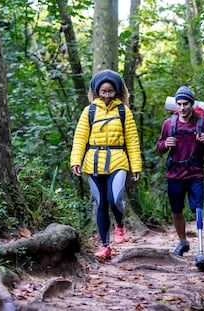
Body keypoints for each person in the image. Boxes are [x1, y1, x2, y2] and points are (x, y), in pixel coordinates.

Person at [70, 69, 142, 259]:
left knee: (115, 198)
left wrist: (136, 166)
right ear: (96, 92)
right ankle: (105, 246)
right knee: (101, 203)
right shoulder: (89, 111)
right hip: (93, 161)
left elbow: (132, 140)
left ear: (117, 91)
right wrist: (75, 160)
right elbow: (80, 138)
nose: (107, 95)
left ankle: (119, 223)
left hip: (118, 159)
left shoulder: (123, 111)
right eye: (104, 92)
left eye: (110, 91)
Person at [156, 86, 204, 257]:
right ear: (175, 105)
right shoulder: (169, 124)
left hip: (195, 172)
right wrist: (165, 144)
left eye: (185, 104)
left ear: (191, 104)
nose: (182, 107)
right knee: (176, 210)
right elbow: (160, 147)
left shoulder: (203, 123)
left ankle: (200, 250)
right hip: (175, 173)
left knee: (198, 207)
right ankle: (183, 242)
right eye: (179, 104)